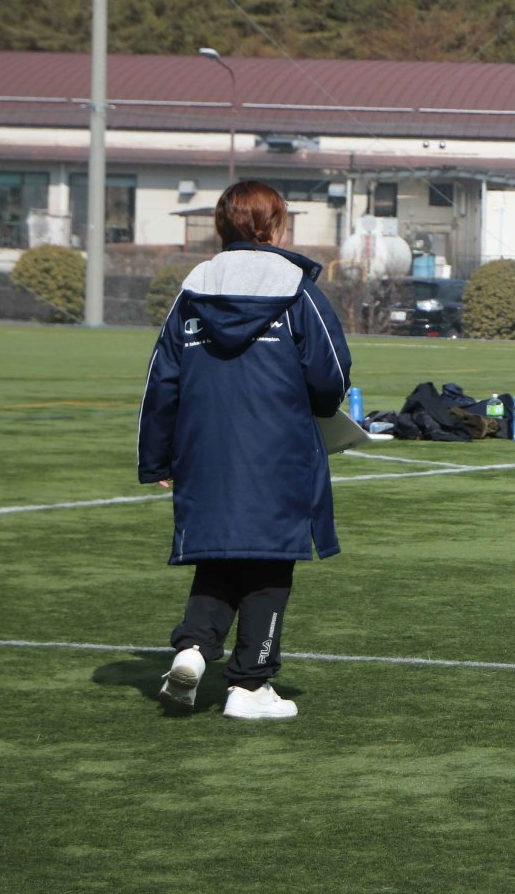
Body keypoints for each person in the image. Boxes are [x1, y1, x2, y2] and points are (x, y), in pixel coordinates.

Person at [138, 181, 352, 720]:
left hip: (202, 450)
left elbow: (161, 381)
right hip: (278, 449)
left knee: (221, 553)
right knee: (269, 563)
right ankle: (249, 685)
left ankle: (193, 648)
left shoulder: (191, 293)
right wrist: (324, 409)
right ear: (275, 226)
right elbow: (330, 374)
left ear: (221, 225)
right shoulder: (298, 291)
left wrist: (157, 458)